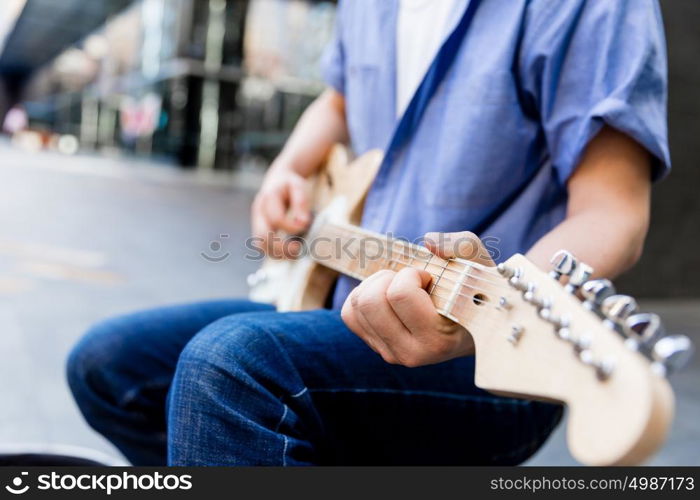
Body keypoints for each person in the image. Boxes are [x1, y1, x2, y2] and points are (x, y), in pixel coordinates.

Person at [67, 0, 670, 465]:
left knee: (233, 365)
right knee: (106, 364)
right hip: (339, 304)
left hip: (492, 351)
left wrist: (483, 313)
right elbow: (339, 99)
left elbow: (613, 212)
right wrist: (291, 167)